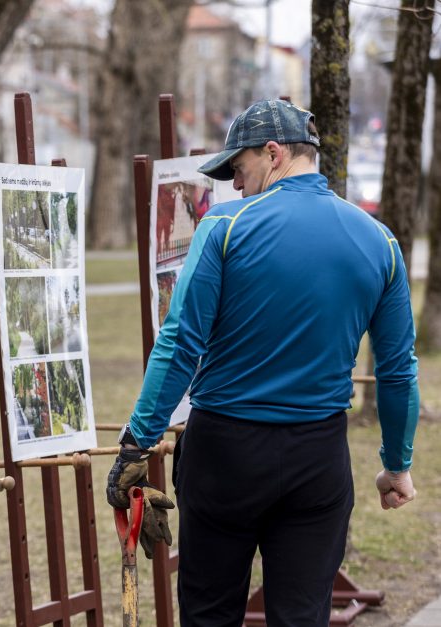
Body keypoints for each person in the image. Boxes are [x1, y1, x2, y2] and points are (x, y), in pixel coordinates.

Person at [107, 99, 419, 625]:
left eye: (239, 167)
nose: (234, 183)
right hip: (317, 458)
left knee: (209, 614)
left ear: (273, 153)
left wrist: (137, 442)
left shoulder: (225, 226)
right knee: (302, 617)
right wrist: (396, 464)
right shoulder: (379, 241)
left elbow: (180, 342)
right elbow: (397, 369)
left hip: (224, 455)